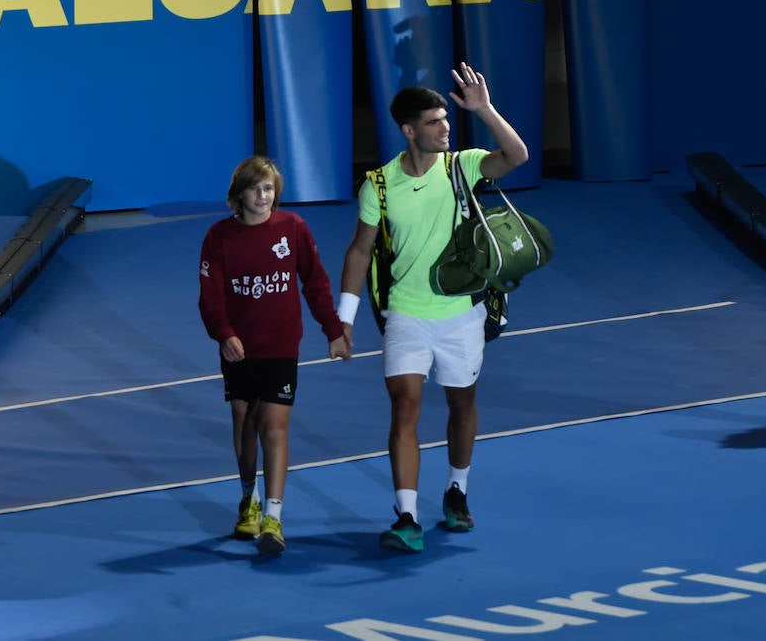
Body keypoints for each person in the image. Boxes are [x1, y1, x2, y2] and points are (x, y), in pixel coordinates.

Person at [338, 63, 529, 553]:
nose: (446, 128)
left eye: (447, 120)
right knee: (405, 406)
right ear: (409, 130)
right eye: (435, 122)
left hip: (462, 313)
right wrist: (344, 317)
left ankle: (456, 491)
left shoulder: (460, 166)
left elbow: (517, 154)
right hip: (405, 313)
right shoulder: (378, 185)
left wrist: (483, 109)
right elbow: (360, 250)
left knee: (461, 404)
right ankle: (406, 515)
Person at [197, 156, 352, 556]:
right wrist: (224, 334)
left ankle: (273, 517)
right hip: (239, 349)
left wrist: (334, 331)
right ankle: (247, 498)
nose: (263, 196)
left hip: (282, 346)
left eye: (269, 189)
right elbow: (210, 298)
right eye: (255, 189)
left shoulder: (293, 229)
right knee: (244, 421)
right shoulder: (219, 238)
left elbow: (315, 283)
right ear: (238, 196)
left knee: (274, 428)